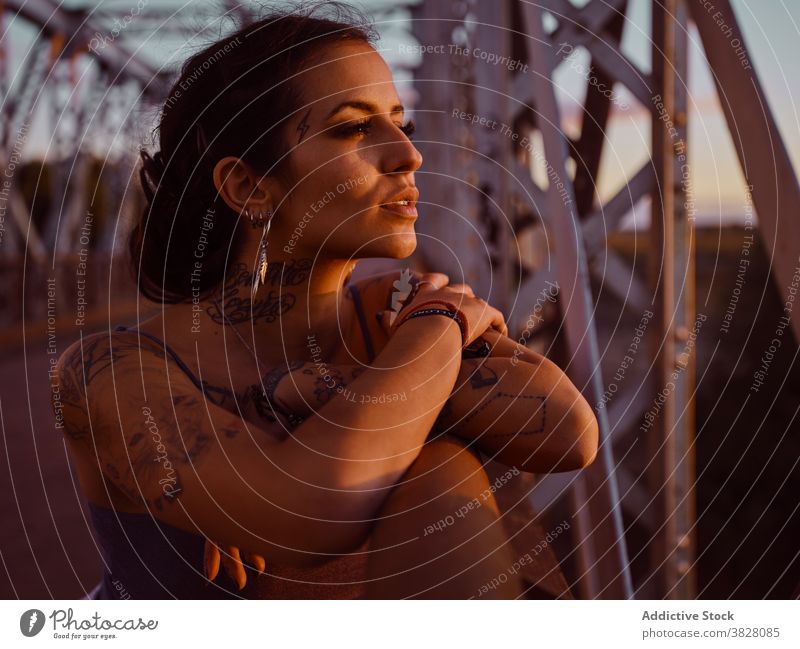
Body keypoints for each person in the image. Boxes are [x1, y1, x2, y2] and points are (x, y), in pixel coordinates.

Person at [54, 1, 598, 599]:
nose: (408, 155)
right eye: (353, 128)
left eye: (401, 123)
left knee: (440, 475)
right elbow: (312, 507)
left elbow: (568, 432)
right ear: (248, 185)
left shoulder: (387, 313)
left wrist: (321, 388)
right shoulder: (109, 371)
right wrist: (438, 325)